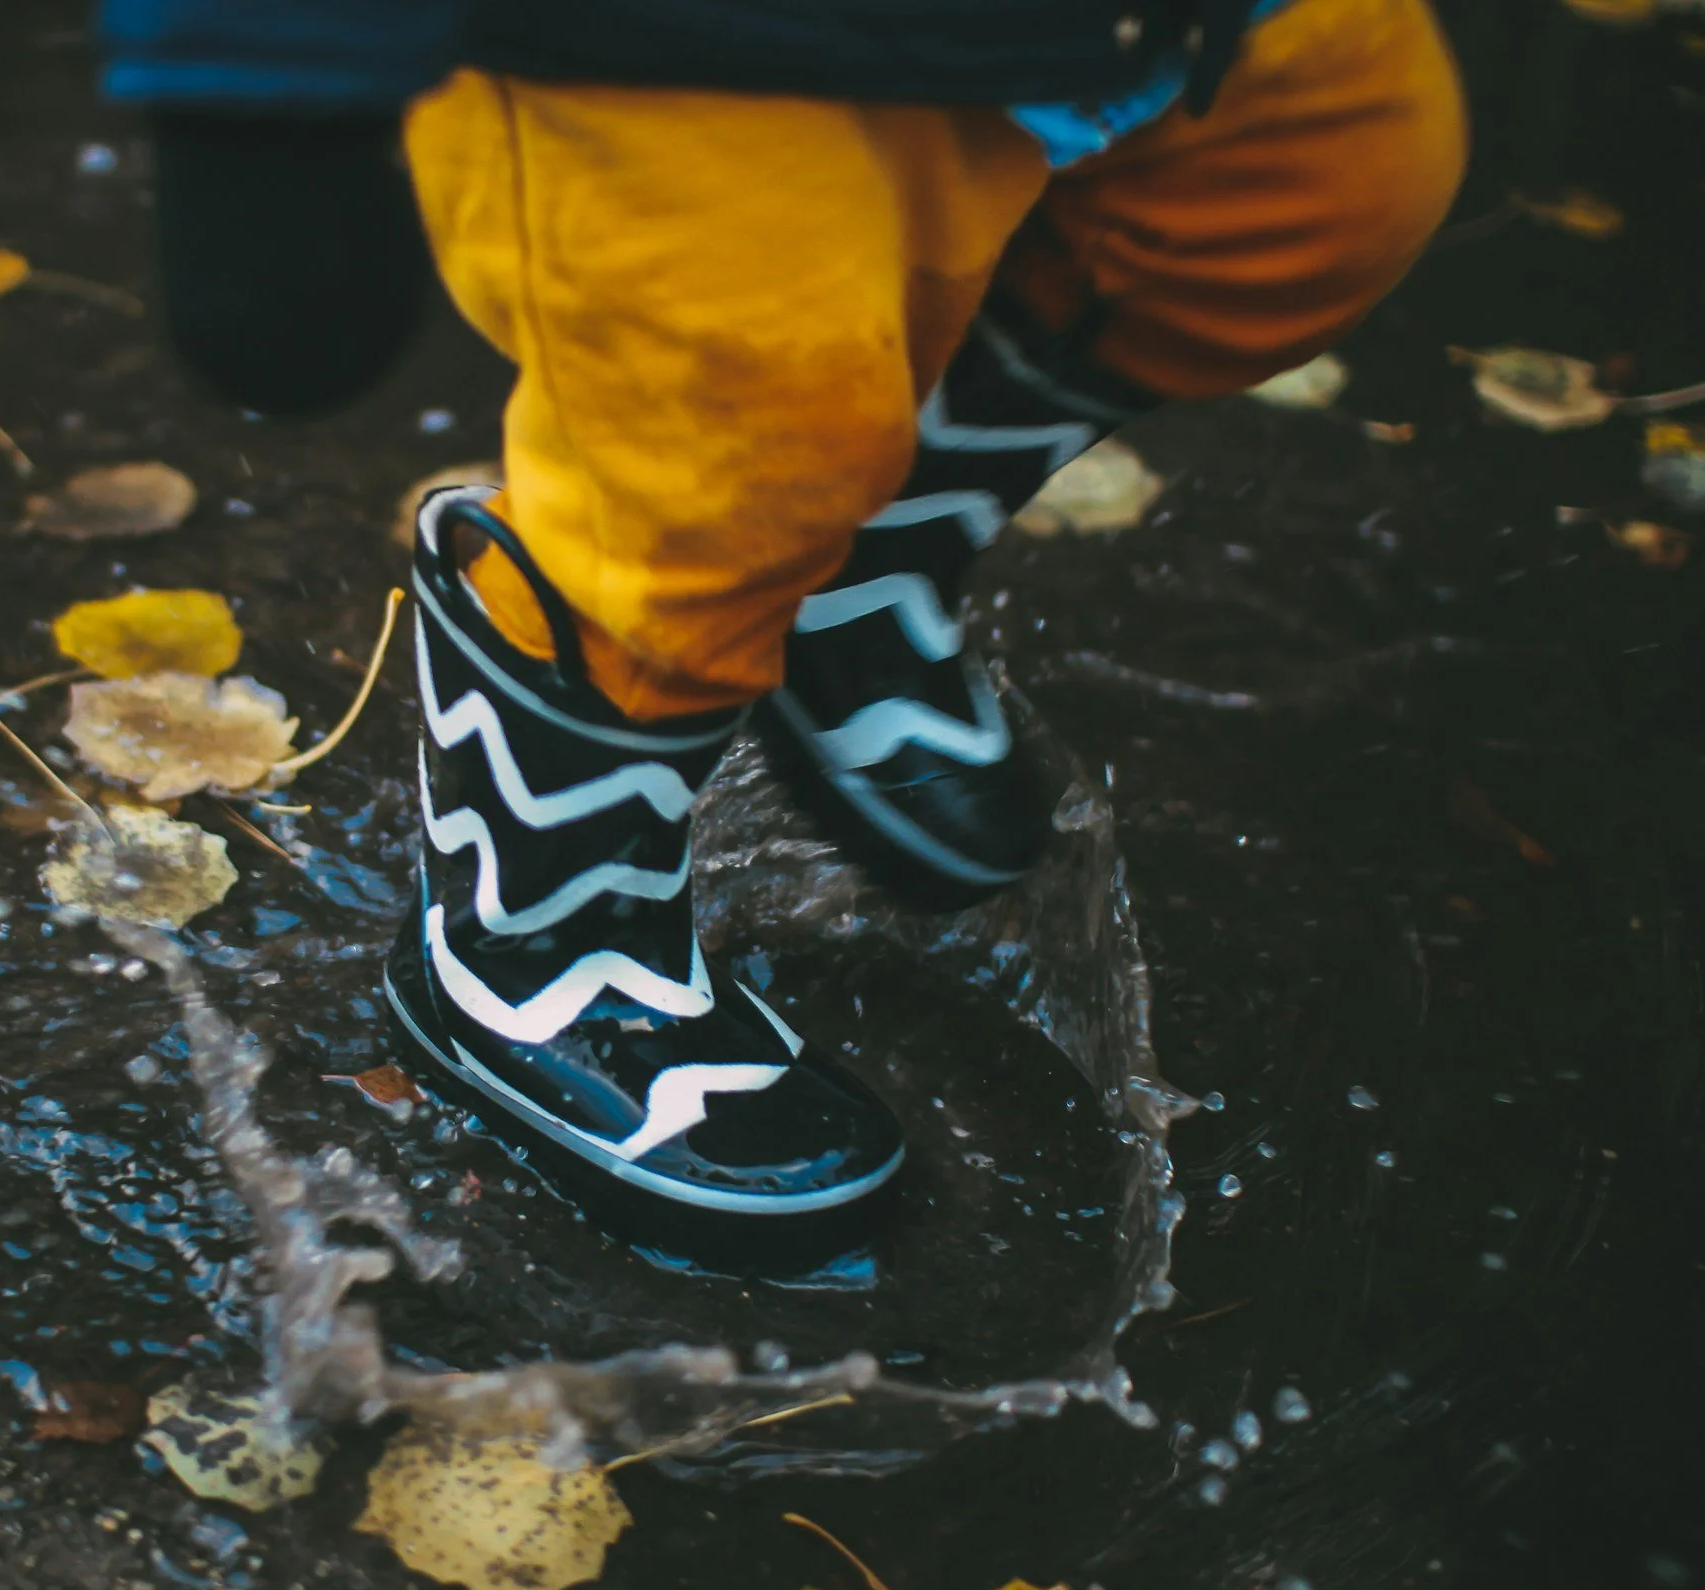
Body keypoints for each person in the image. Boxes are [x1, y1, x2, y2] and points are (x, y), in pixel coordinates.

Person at [103, 0, 1465, 1235]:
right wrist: (258, 70)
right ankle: (531, 947)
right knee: (729, 446)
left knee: (1327, 187)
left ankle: (849, 559)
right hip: (681, 52)